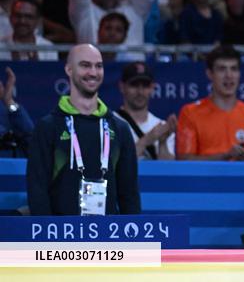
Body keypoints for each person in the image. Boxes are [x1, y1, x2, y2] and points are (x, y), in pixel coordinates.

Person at [26, 43, 140, 215]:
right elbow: (37, 191)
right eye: (85, 65)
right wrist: (48, 231)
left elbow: (129, 195)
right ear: (69, 69)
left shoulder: (120, 129)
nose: (93, 73)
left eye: (98, 66)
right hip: (62, 230)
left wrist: (133, 231)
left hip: (107, 231)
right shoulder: (48, 127)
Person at [176, 44, 244, 161]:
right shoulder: (190, 113)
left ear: (239, 74)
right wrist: (226, 156)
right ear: (210, 74)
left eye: (234, 69)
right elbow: (185, 161)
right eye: (222, 69)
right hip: (206, 174)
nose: (229, 76)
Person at [113, 62, 176, 160]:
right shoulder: (109, 123)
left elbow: (168, 168)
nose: (140, 92)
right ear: (122, 87)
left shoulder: (162, 126)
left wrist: (162, 143)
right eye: (134, 85)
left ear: (152, 88)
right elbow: (112, 163)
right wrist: (146, 140)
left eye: (145, 86)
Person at [0, 65, 33, 157]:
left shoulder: (10, 110)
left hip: (12, 162)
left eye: (1, 85)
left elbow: (29, 133)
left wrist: (9, 102)